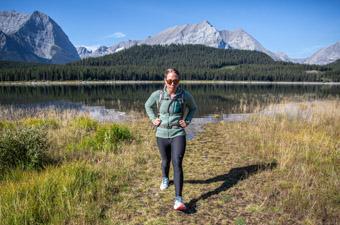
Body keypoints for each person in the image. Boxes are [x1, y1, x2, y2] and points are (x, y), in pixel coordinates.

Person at [144, 68, 197, 211]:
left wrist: (187, 121)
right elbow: (147, 105)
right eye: (169, 81)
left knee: (177, 162)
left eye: (175, 81)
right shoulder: (158, 95)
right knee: (165, 160)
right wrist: (153, 119)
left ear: (179, 81)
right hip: (161, 134)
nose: (172, 84)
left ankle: (178, 200)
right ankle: (165, 179)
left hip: (178, 132)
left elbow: (193, 108)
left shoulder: (184, 95)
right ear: (165, 81)